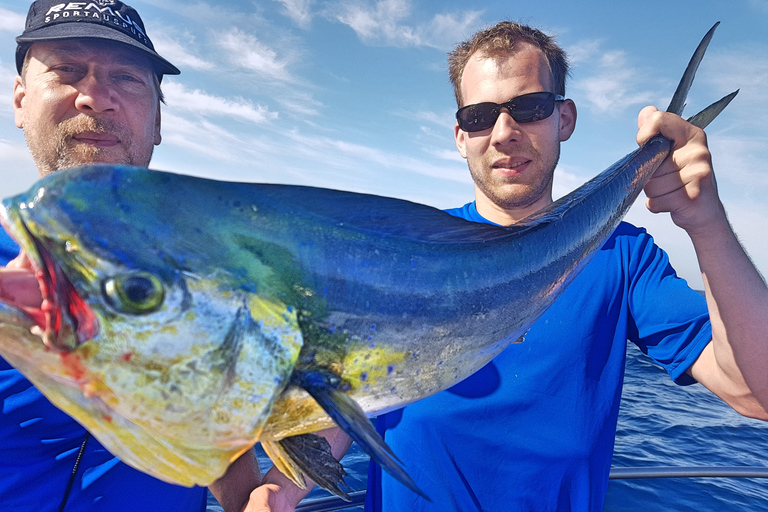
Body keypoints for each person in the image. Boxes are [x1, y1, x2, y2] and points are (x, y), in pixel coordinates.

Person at [246, 21, 768, 512]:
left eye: (530, 107)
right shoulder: (407, 253)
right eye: (479, 116)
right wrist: (283, 488)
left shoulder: (623, 256)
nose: (503, 132)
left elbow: (754, 392)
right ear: (460, 136)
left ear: (564, 119)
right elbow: (352, 395)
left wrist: (707, 223)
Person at [0, 1, 261, 511]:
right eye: (67, 71)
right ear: (20, 100)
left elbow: (208, 429)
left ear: (158, 121)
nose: (96, 97)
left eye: (126, 77)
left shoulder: (208, 271)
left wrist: (251, 497)